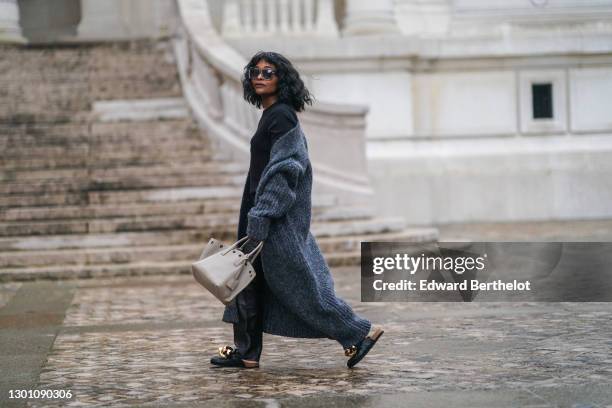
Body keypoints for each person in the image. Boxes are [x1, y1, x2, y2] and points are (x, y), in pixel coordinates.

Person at [210, 51, 384, 369]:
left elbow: (286, 170)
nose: (259, 76)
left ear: (282, 80)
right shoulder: (271, 115)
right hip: (259, 215)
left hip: (274, 223)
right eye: (255, 71)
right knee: (246, 286)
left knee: (303, 290)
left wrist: (263, 215)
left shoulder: (281, 116)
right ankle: (246, 352)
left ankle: (359, 333)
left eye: (268, 72)